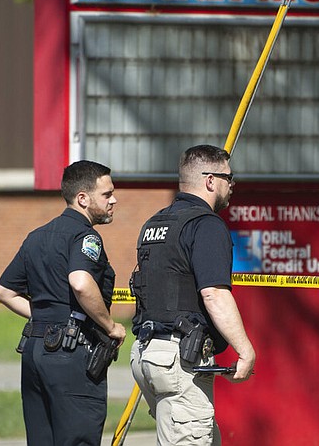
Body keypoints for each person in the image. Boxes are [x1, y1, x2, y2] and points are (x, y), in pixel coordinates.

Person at [130, 144, 256, 445]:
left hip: (147, 354)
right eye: (229, 177)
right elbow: (213, 293)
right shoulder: (206, 225)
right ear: (211, 181)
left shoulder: (155, 223)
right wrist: (245, 350)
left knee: (207, 438)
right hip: (179, 361)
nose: (233, 184)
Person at [0, 160, 126, 446]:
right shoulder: (86, 236)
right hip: (71, 353)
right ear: (82, 198)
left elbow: (4, 291)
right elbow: (80, 282)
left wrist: (42, 316)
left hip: (35, 350)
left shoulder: (36, 236)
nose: (113, 200)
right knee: (78, 439)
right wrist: (110, 325)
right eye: (107, 194)